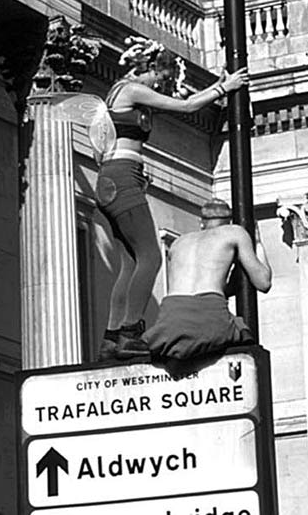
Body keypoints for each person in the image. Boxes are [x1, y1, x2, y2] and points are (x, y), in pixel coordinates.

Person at [96, 37, 249, 361]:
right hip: (123, 177)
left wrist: (215, 84)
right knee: (150, 258)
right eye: (160, 78)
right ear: (148, 68)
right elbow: (186, 107)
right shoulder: (131, 90)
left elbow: (181, 99)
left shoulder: (124, 93)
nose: (161, 85)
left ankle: (112, 336)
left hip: (119, 178)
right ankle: (129, 332)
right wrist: (226, 88)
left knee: (129, 263)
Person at [143, 197, 272, 362]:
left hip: (170, 317)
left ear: (201, 222)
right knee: (242, 331)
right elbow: (263, 283)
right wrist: (258, 243)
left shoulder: (178, 243)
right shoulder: (235, 232)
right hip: (210, 315)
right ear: (228, 221)